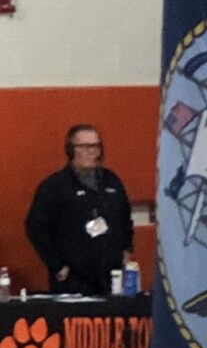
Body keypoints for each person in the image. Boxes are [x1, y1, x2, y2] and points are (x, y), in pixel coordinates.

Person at [25, 123, 133, 295]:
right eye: (85, 146)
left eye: (96, 146)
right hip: (73, 281)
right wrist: (57, 266)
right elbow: (35, 227)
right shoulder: (54, 186)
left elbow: (125, 217)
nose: (92, 152)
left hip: (112, 277)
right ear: (71, 150)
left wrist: (127, 249)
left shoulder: (111, 181)